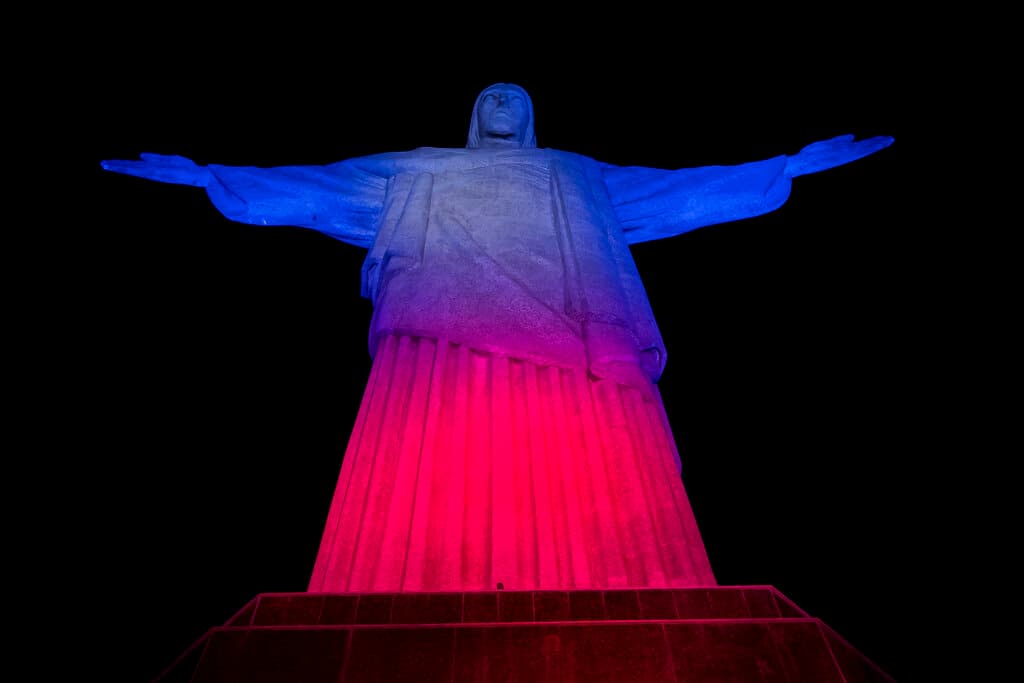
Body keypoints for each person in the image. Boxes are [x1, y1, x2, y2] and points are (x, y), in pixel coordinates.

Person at [102, 83, 893, 593]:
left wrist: (785, 167)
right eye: (492, 96)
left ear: (533, 114)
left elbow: (681, 193)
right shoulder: (418, 166)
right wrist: (209, 175)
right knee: (428, 491)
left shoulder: (575, 172)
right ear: (475, 114)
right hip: (436, 349)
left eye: (517, 96)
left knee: (601, 492)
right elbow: (315, 186)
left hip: (579, 355)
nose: (505, 103)